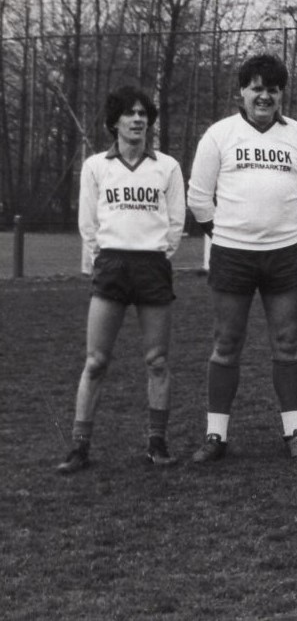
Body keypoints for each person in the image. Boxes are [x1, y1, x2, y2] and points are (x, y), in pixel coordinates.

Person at [187, 54, 297, 463]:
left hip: (283, 255)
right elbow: (198, 198)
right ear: (242, 92)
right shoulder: (219, 135)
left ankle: (294, 431)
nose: (264, 96)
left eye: (272, 89)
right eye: (256, 88)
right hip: (232, 255)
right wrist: (229, 234)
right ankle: (216, 435)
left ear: (281, 94)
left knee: (287, 343)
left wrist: (279, 231)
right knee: (226, 343)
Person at [57, 87, 186, 474]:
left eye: (143, 113)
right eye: (130, 113)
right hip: (111, 266)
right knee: (95, 361)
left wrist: (155, 254)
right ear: (114, 122)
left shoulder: (167, 167)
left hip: (152, 268)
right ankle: (79, 447)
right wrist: (105, 256)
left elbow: (175, 224)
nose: (138, 119)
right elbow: (88, 224)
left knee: (157, 361)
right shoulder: (96, 166)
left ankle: (157, 444)